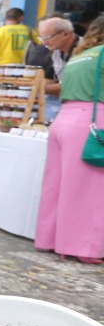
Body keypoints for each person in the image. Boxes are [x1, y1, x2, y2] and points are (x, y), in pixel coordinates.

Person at [35, 15, 104, 264]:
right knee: (90, 192)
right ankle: (84, 248)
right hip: (93, 121)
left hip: (64, 120)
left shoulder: (81, 55)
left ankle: (53, 240)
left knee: (58, 186)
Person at [26, 16, 78, 122]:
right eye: (42, 38)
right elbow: (50, 79)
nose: (44, 43)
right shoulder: (56, 51)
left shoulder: (84, 51)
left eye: (48, 37)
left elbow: (72, 86)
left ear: (66, 33)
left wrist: (35, 88)